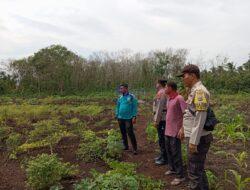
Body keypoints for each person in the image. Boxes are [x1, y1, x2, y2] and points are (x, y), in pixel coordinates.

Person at [177, 64, 213, 190]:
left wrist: (193, 141)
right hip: (194, 136)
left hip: (198, 139)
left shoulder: (200, 91)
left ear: (192, 75)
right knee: (198, 170)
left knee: (194, 173)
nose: (183, 79)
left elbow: (200, 117)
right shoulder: (193, 90)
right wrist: (183, 129)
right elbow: (190, 114)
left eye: (184, 76)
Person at [164, 81, 186, 186]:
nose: (164, 89)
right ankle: (172, 169)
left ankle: (180, 176)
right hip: (168, 130)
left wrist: (182, 128)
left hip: (175, 131)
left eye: (166, 87)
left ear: (171, 88)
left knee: (176, 153)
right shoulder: (169, 99)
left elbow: (185, 114)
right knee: (169, 151)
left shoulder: (179, 98)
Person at [115, 83, 138, 155]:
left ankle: (134, 148)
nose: (120, 90)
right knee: (123, 132)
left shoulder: (131, 97)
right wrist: (117, 114)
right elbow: (117, 106)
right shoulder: (120, 97)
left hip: (128, 118)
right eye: (120, 88)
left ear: (126, 89)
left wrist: (134, 116)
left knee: (130, 132)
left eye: (121, 88)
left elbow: (134, 106)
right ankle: (126, 146)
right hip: (120, 118)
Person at [153, 79, 168, 165]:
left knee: (162, 138)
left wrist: (156, 120)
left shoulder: (162, 93)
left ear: (159, 84)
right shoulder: (161, 92)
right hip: (161, 118)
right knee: (161, 138)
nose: (156, 84)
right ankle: (162, 155)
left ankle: (164, 158)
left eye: (157, 83)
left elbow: (159, 108)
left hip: (162, 118)